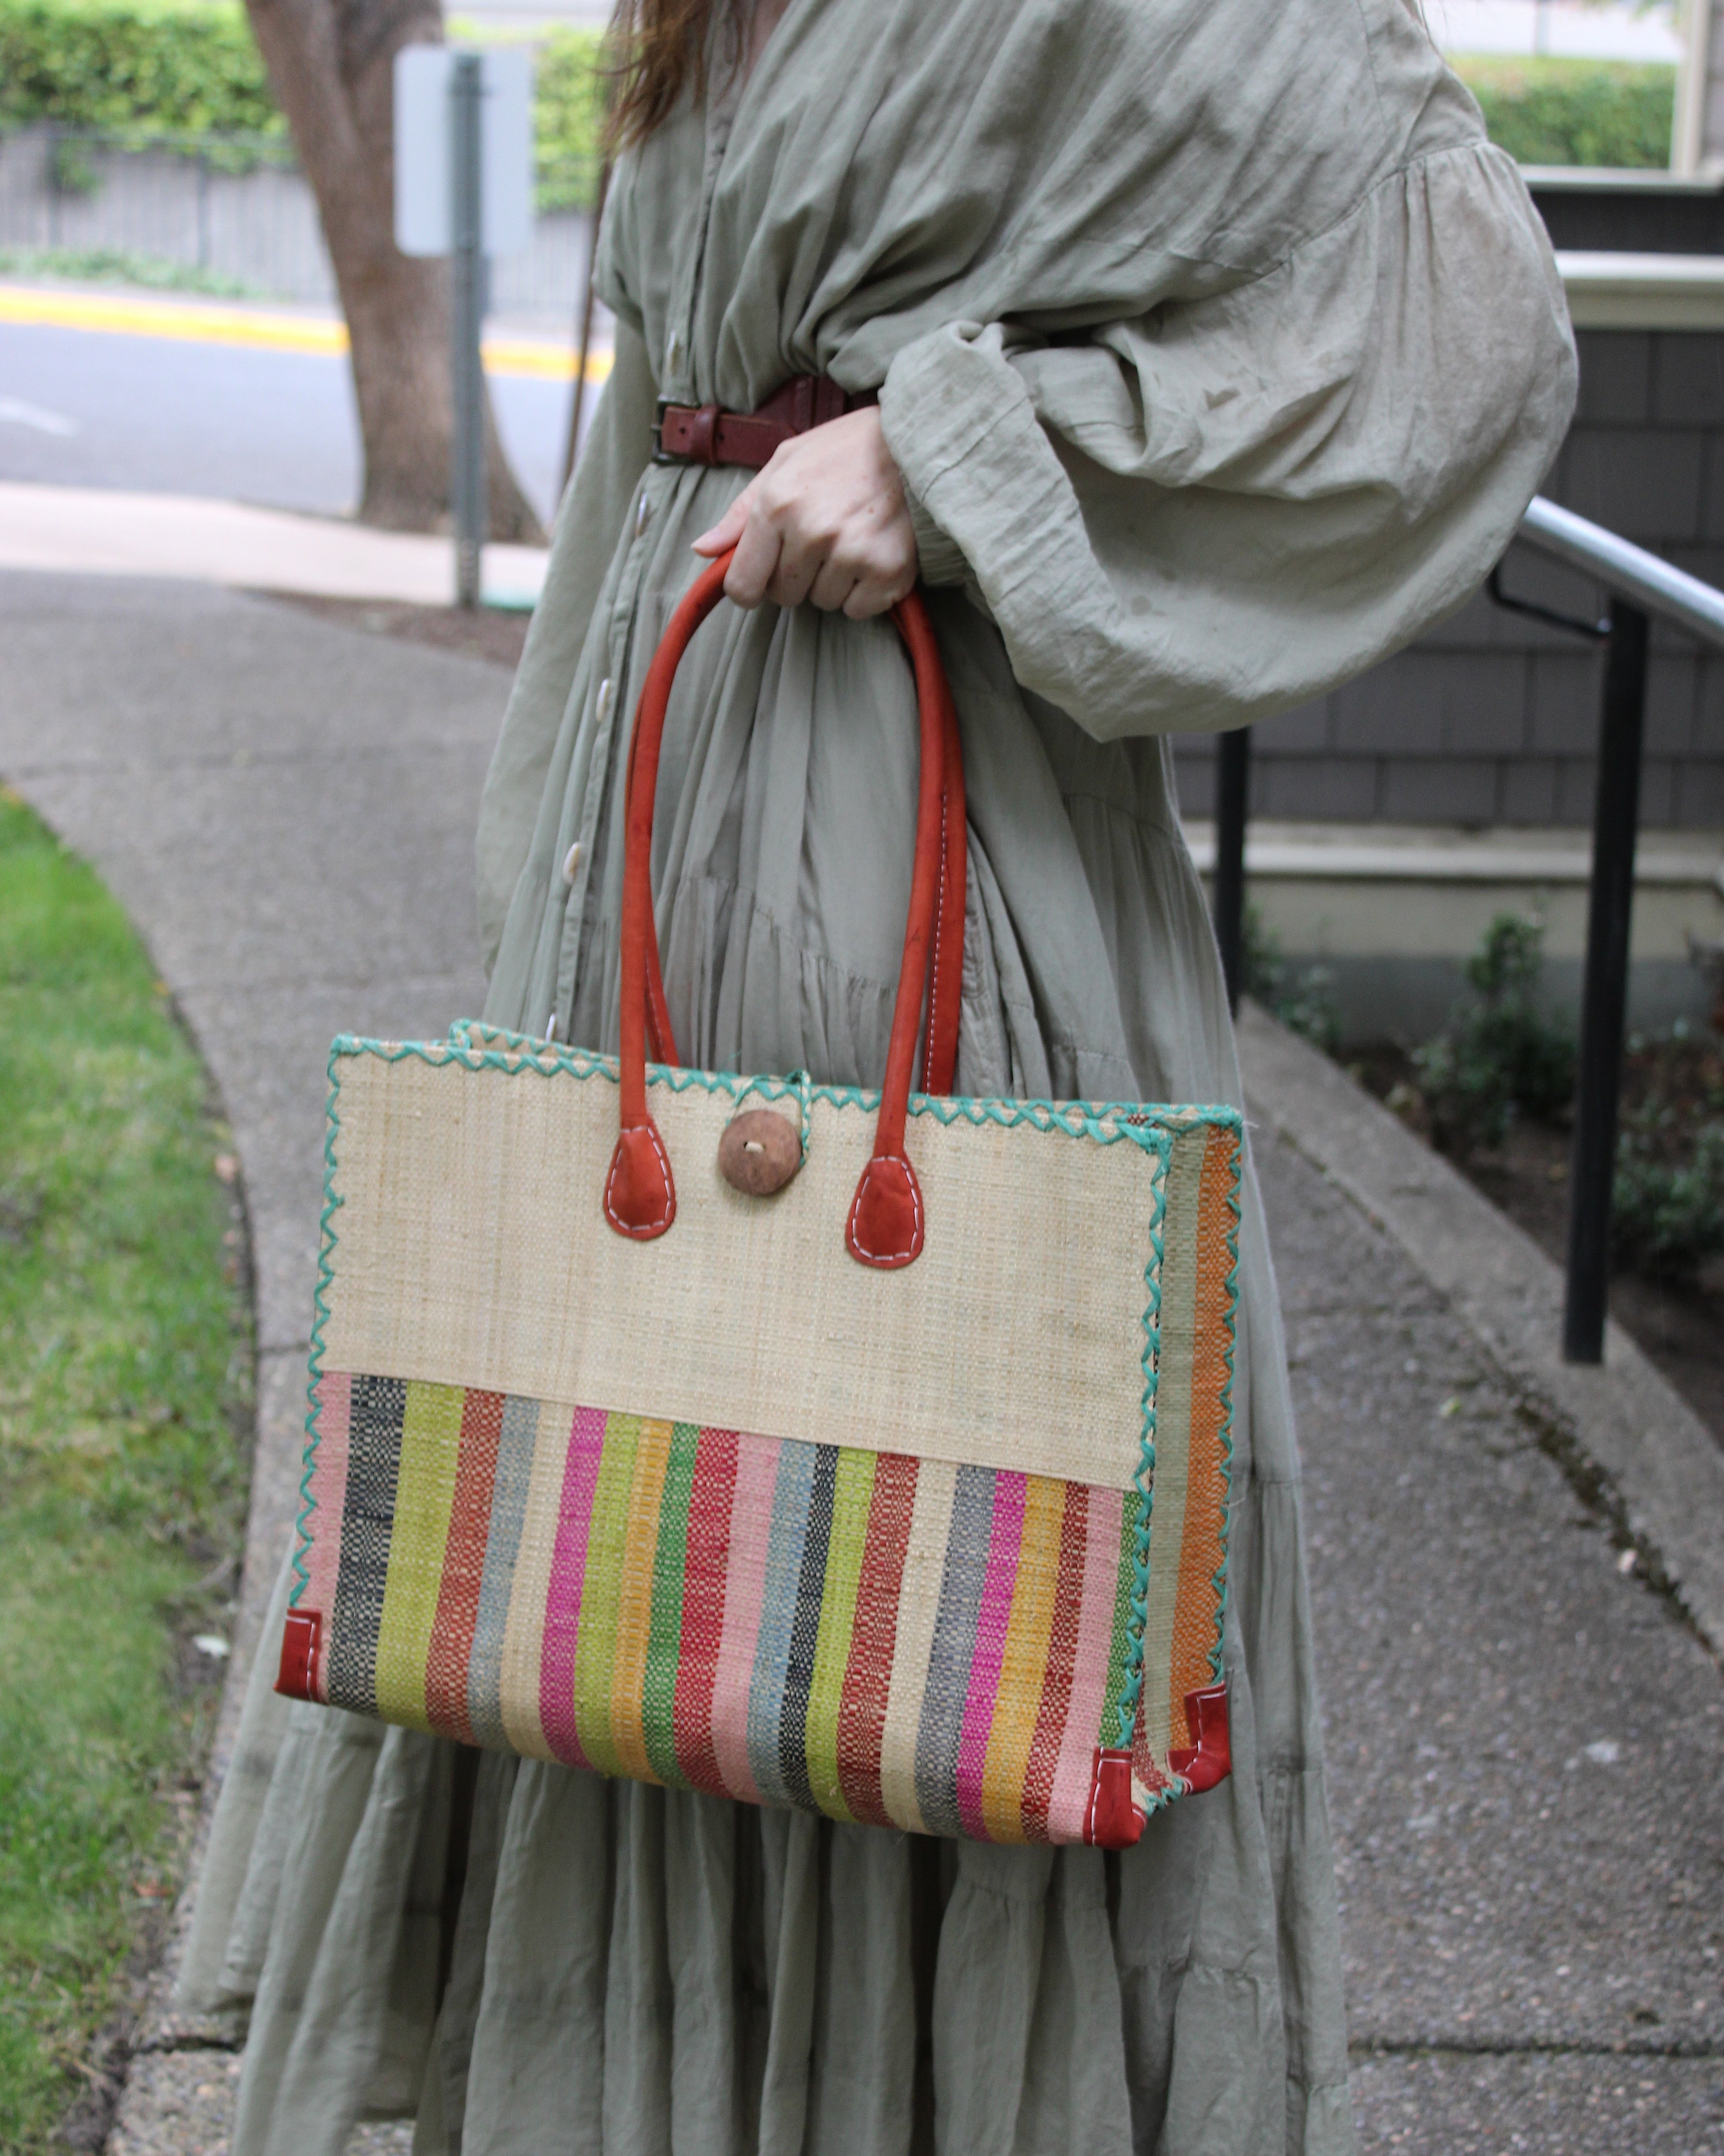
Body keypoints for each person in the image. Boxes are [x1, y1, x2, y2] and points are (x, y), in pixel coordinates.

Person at [180, 1, 1575, 2148]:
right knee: (638, 1570)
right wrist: (554, 886)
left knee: (925, 1561)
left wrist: (956, 459)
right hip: (656, 864)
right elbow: (658, 427)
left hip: (930, 857)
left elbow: (1457, 326)